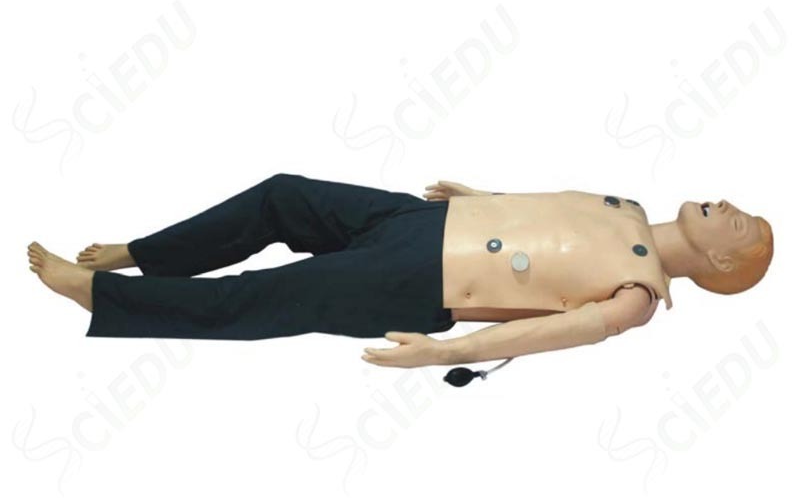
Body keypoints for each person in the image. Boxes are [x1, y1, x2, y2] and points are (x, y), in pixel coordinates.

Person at [26, 173, 773, 371]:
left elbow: (543, 336)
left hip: (422, 283)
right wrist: (479, 197)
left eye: (738, 225)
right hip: (422, 222)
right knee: (283, 195)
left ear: (718, 263)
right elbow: (547, 216)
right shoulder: (626, 205)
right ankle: (145, 253)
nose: (729, 207)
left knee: (262, 298)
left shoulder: (637, 297)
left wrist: (444, 352)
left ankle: (104, 296)